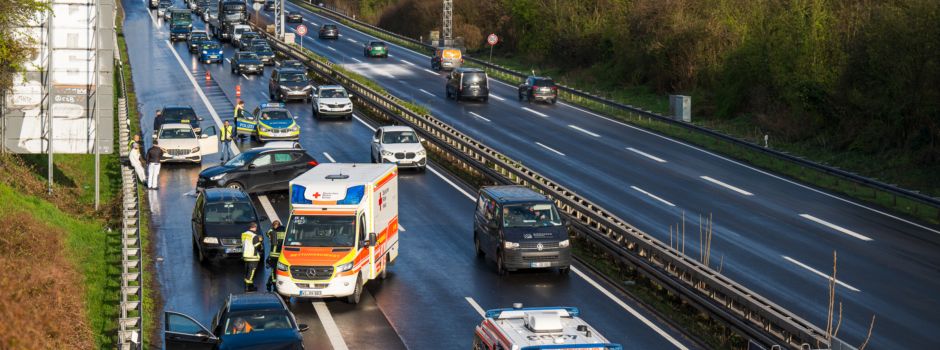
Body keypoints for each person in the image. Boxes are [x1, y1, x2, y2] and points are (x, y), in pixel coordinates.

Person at [241, 222, 263, 291]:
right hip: (252, 257)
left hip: (245, 255)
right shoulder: (254, 236)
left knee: (247, 271)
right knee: (251, 272)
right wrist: (260, 242)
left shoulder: (244, 234)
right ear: (255, 227)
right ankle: (248, 288)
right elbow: (258, 247)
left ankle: (250, 286)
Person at [266, 220, 285, 291]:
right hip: (282, 255)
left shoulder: (272, 231)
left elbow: (267, 233)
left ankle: (273, 285)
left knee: (273, 270)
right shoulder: (284, 230)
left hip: (274, 255)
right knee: (280, 271)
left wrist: (272, 229)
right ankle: (271, 283)